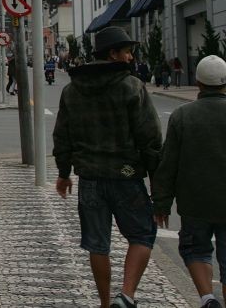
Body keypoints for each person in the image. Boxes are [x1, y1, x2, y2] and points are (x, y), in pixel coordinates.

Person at [52, 26, 162, 308]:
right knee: (142, 234)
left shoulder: (72, 90)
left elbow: (62, 136)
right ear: (113, 54)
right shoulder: (131, 86)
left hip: (89, 176)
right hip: (126, 173)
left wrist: (63, 173)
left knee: (97, 243)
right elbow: (150, 139)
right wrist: (156, 180)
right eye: (127, 52)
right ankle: (126, 295)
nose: (130, 57)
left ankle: (104, 303)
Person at [151, 54, 226, 308]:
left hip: (194, 202)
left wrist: (161, 203)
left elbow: (168, 163)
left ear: (199, 82)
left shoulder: (182, 116)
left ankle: (207, 298)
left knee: (195, 250)